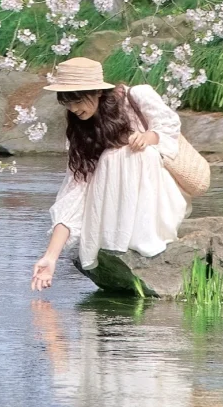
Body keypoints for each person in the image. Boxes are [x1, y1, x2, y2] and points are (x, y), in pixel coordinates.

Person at [31, 56, 188, 291]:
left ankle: (142, 237)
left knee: (123, 154)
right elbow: (75, 193)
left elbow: (169, 128)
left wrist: (147, 138)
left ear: (97, 92)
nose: (73, 109)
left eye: (77, 100)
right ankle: (116, 242)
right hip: (113, 212)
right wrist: (50, 257)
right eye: (67, 102)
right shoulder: (80, 130)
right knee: (110, 158)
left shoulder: (137, 96)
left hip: (155, 196)